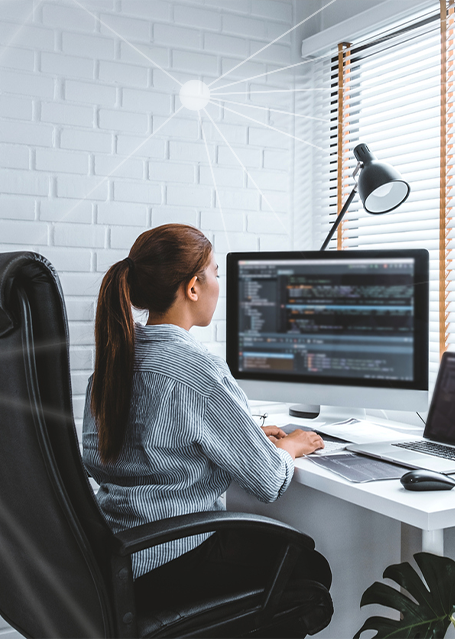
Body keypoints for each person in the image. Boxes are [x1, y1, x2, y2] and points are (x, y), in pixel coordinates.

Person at [82, 224, 330, 604]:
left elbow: (122, 448)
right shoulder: (199, 369)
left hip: (118, 556)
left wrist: (245, 435)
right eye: (216, 272)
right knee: (310, 571)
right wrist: (293, 446)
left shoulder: (115, 361)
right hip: (172, 556)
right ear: (193, 287)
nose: (220, 283)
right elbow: (268, 482)